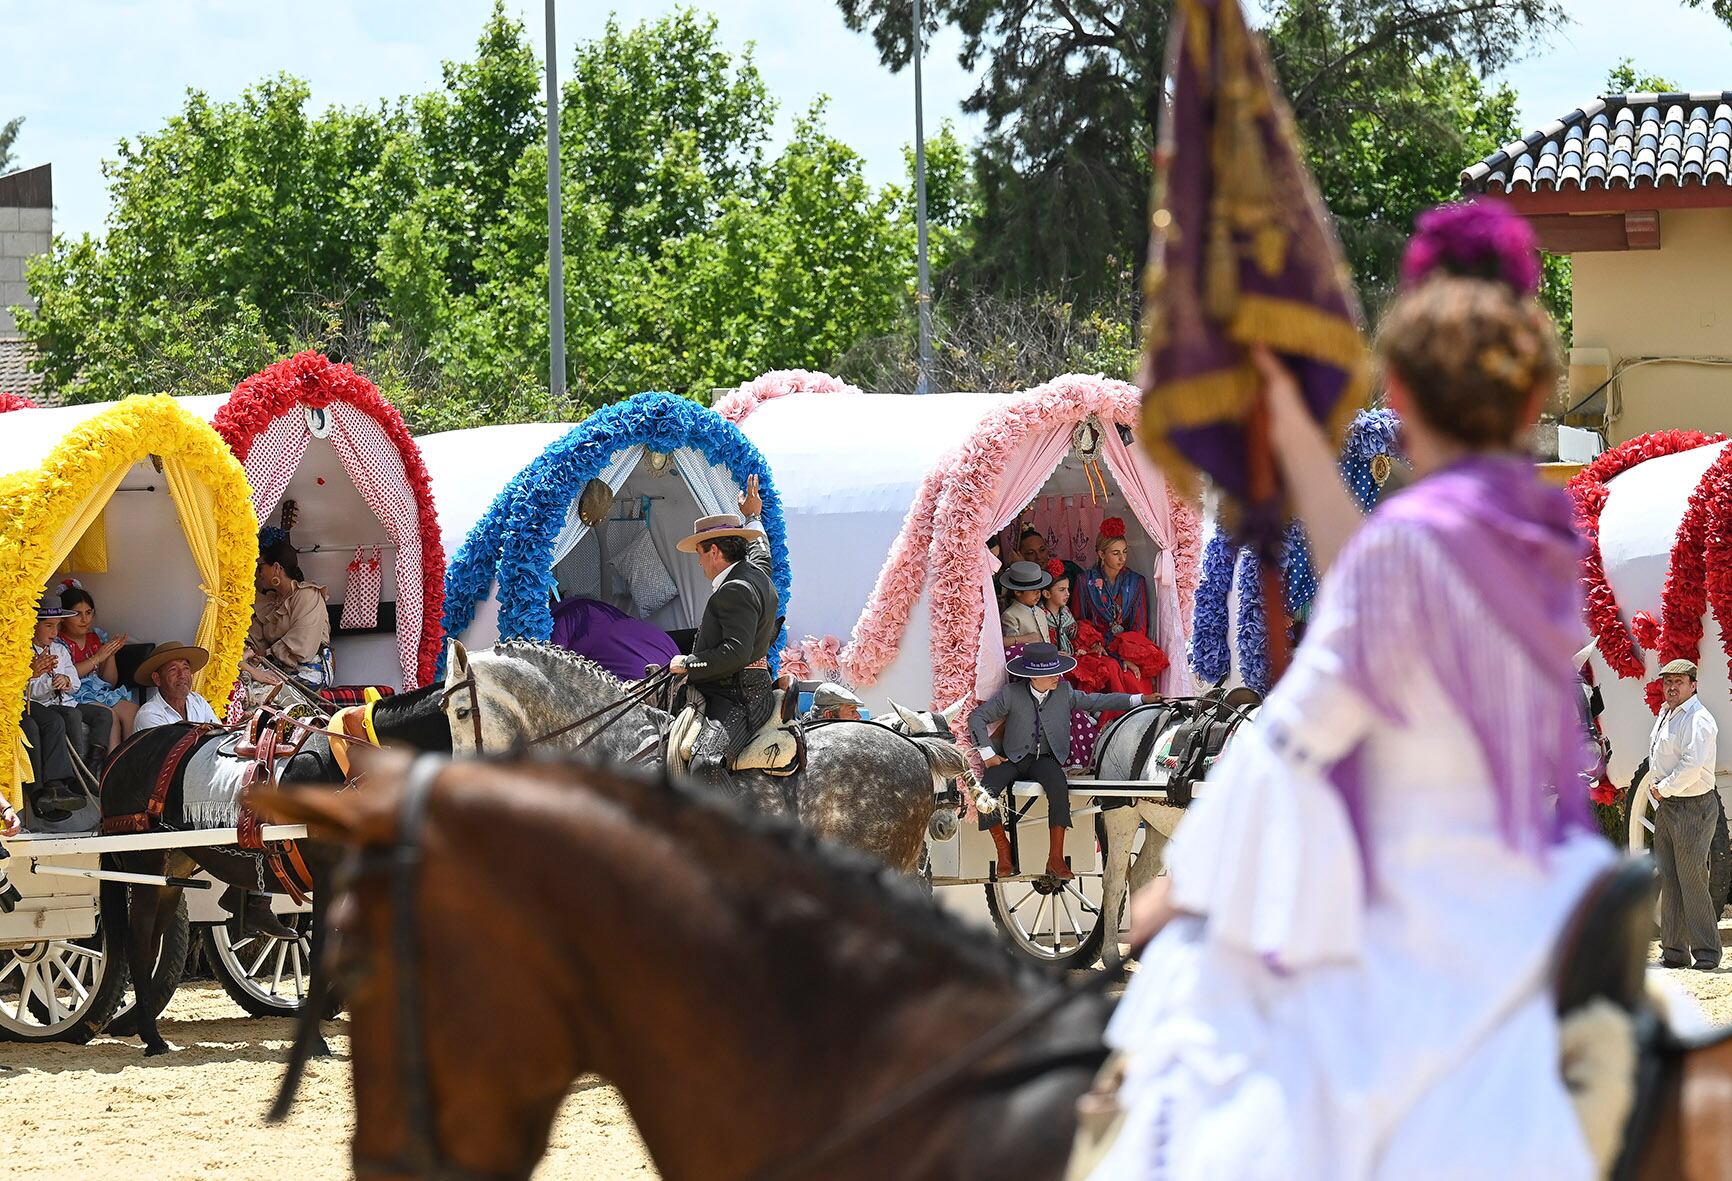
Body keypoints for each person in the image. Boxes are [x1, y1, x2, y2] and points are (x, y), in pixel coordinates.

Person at [1088, 202, 1613, 1181]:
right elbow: (1381, 568)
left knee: (1190, 1036)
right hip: (1524, 888)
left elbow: (1293, 738)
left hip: (1410, 915)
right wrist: (1291, 432)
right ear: (1535, 394)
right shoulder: (1539, 536)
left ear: (1397, 396)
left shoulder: (1410, 552)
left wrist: (1187, 883)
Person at [969, 642, 1147, 879]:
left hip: (1043, 759)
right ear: (1034, 677)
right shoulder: (1012, 694)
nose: (1058, 677)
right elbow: (977, 717)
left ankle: (1056, 858)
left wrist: (1140, 700)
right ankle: (1004, 851)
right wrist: (988, 755)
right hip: (1011, 758)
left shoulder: (1064, 692)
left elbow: (1097, 701)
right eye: (1051, 674)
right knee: (985, 792)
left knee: (1058, 787)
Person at [670, 475, 778, 780]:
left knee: (705, 765)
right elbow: (761, 551)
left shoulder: (735, 589)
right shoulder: (755, 570)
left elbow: (735, 652)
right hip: (740, 688)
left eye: (700, 554)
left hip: (740, 697)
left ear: (715, 552)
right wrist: (752, 515)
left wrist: (688, 663)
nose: (699, 562)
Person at [1648, 657, 1721, 971]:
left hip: (1693, 806)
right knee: (1670, 878)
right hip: (1668, 805)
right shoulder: (1667, 713)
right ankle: (1674, 952)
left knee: (1692, 880)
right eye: (1667, 681)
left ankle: (1707, 953)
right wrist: (1657, 786)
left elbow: (1691, 766)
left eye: (1678, 682)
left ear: (1694, 685)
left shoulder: (1699, 719)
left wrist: (1663, 787)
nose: (1671, 687)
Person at [27, 605, 112, 781]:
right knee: (71, 715)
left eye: (57, 626)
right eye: (49, 626)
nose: (55, 633)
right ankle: (74, 768)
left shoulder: (59, 650)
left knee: (103, 714)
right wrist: (49, 683)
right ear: (33, 625)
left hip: (64, 700)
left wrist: (66, 681)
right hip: (43, 704)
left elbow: (75, 682)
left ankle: (90, 768)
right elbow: (29, 691)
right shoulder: (24, 652)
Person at [248, 534, 332, 689]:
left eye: (261, 567)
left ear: (276, 568)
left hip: (309, 672)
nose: (259, 573)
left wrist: (264, 656)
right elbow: (256, 642)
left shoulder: (307, 594)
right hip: (277, 670)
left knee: (262, 694)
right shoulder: (269, 602)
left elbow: (302, 645)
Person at [57, 582, 136, 743]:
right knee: (110, 716)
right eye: (77, 614)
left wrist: (110, 654)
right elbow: (67, 676)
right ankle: (111, 764)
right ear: (63, 617)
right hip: (74, 693)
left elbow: (109, 682)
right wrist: (97, 658)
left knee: (132, 710)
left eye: (88, 613)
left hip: (98, 692)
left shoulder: (96, 638)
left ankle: (130, 761)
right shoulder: (58, 642)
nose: (84, 619)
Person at [550, 595, 681, 682]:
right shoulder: (590, 605)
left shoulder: (558, 621)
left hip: (632, 663)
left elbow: (553, 668)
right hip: (663, 645)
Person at [1076, 517, 1150, 642]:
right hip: (1096, 646)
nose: (1122, 559)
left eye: (1124, 552)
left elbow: (1140, 625)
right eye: (1116, 553)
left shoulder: (1136, 582)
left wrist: (1130, 652)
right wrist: (1094, 644)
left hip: (1127, 645)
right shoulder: (1084, 581)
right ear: (1102, 554)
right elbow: (1080, 620)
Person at [133, 643, 220, 730]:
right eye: (173, 669)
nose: (182, 675)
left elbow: (219, 735)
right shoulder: (149, 715)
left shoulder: (197, 700)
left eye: (186, 668)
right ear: (157, 679)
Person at [999, 561, 1052, 648]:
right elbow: (1013, 648)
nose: (1038, 593)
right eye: (1032, 589)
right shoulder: (1010, 615)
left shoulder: (1040, 611)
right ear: (1017, 592)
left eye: (1039, 588)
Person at [1039, 560, 1078, 656]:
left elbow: (1073, 637)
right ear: (1047, 594)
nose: (1067, 594)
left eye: (1068, 589)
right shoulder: (1039, 615)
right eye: (1062, 590)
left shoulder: (1066, 612)